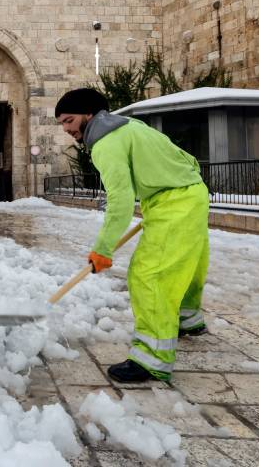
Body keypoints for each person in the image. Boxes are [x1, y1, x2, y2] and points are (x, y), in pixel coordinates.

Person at [55, 88, 209, 383]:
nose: (66, 129)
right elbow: (189, 160)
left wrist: (103, 248)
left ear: (89, 113)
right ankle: (189, 320)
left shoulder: (106, 143)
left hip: (173, 204)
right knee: (185, 266)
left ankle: (152, 359)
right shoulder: (131, 126)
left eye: (69, 120)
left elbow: (121, 201)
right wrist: (172, 188)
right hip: (193, 193)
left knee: (149, 275)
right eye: (61, 123)